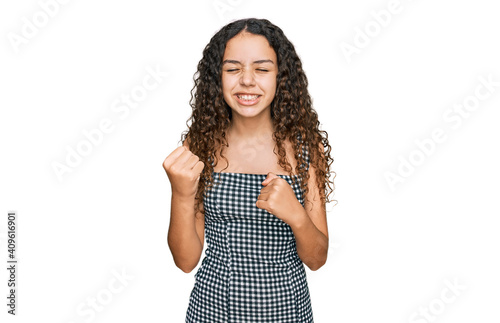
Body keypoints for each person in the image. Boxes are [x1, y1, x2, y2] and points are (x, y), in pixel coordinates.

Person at [163, 17, 335, 323]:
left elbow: (317, 259)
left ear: (280, 77)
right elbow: (186, 261)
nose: (246, 80)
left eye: (262, 68)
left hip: (287, 313)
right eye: (232, 69)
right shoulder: (200, 144)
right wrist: (181, 194)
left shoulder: (305, 149)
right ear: (217, 78)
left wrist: (295, 214)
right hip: (211, 312)